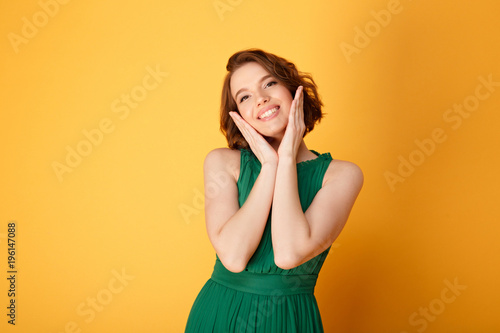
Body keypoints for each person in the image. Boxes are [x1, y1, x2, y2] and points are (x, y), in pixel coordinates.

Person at [185, 48, 363, 332]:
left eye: (269, 83)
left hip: (289, 320)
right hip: (219, 314)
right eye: (244, 97)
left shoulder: (341, 175)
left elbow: (288, 254)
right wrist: (270, 164)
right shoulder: (222, 163)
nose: (261, 99)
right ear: (238, 115)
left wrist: (288, 159)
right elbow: (233, 257)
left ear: (294, 90)